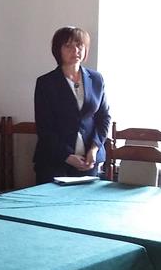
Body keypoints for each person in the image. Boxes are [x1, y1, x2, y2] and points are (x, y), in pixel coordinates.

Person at [33, 26, 111, 183]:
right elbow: (44, 127)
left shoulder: (96, 79)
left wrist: (94, 149)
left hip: (89, 161)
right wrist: (67, 156)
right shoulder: (46, 83)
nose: (75, 50)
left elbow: (104, 117)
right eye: (68, 46)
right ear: (58, 50)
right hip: (54, 160)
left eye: (79, 45)